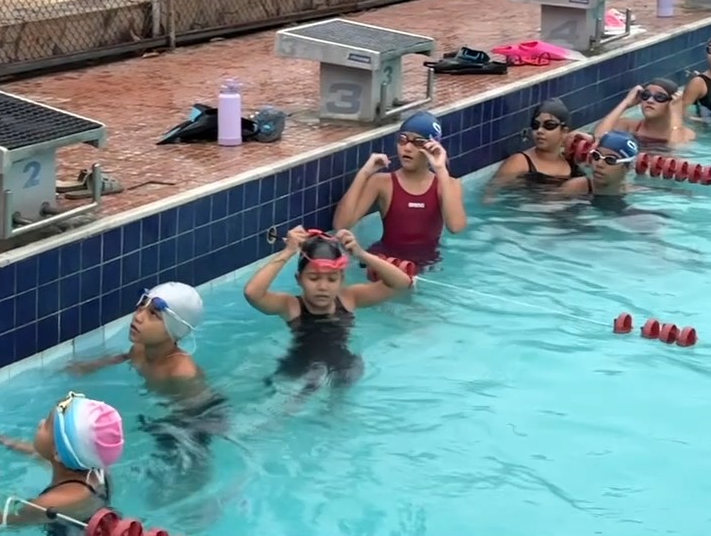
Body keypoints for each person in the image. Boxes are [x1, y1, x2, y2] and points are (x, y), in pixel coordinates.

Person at [61, 283, 229, 480]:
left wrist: (165, 428)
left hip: (199, 417)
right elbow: (125, 357)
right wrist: (90, 366)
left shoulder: (180, 372)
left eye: (153, 315)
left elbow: (197, 417)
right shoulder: (139, 349)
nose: (138, 317)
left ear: (173, 330)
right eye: (141, 307)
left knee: (180, 468)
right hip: (168, 410)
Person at [244, 227, 413, 392]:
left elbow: (402, 283)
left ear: (341, 280)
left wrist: (361, 254)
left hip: (343, 368)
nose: (323, 287)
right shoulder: (291, 306)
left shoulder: (349, 298)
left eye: (332, 279)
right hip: (300, 367)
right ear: (299, 279)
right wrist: (287, 252)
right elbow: (252, 293)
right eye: (313, 278)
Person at [0, 393, 125, 534]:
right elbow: (39, 454)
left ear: (58, 453)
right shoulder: (96, 470)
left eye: (47, 425)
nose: (40, 423)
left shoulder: (49, 504)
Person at [331, 111, 467, 272]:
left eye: (417, 142)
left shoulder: (448, 184)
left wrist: (441, 170)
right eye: (402, 140)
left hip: (426, 266)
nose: (407, 148)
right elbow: (341, 225)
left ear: (432, 147)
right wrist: (364, 174)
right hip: (383, 265)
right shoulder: (382, 183)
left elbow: (456, 227)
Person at [487, 98, 593, 192]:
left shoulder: (572, 167)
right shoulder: (520, 162)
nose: (540, 131)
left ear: (564, 131)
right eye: (535, 125)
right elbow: (490, 194)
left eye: (549, 125)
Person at [593, 78, 694, 147]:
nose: (649, 100)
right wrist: (626, 103)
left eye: (659, 97)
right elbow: (598, 137)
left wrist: (676, 113)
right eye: (645, 95)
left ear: (672, 102)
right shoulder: (628, 126)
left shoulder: (685, 134)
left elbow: (676, 151)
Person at [559, 130, 640, 206]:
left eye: (610, 160)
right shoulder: (574, 189)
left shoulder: (634, 194)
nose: (599, 164)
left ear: (628, 167)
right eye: (596, 156)